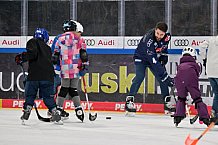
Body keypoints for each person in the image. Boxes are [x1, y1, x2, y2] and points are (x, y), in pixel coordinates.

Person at [15, 28, 63, 125]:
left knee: (30, 95)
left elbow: (32, 54)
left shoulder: (32, 42)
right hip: (48, 76)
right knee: (48, 97)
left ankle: (27, 111)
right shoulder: (48, 48)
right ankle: (55, 113)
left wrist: (21, 57)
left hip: (34, 75)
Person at [125, 22, 174, 114]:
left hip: (153, 57)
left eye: (161, 34)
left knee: (161, 79)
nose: (159, 36)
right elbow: (153, 61)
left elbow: (164, 47)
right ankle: (129, 101)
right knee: (140, 76)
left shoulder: (167, 37)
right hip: (141, 58)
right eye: (157, 33)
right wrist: (165, 75)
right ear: (155, 30)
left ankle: (167, 102)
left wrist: (164, 57)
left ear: (165, 34)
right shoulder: (149, 40)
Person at [52, 19, 88, 122]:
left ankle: (58, 109)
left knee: (63, 88)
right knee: (73, 89)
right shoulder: (80, 39)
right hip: (76, 67)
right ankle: (78, 109)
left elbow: (55, 55)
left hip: (65, 67)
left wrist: (56, 66)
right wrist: (84, 65)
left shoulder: (59, 39)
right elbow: (84, 54)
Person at [173, 47, 210, 126]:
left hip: (179, 80)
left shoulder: (180, 65)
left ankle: (178, 117)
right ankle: (205, 117)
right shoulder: (195, 64)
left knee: (181, 98)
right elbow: (197, 73)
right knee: (197, 99)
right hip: (191, 80)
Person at [199, 37, 218, 124]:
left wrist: (204, 58)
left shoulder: (211, 40)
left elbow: (202, 46)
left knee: (217, 94)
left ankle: (215, 114)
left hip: (210, 71)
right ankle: (214, 113)